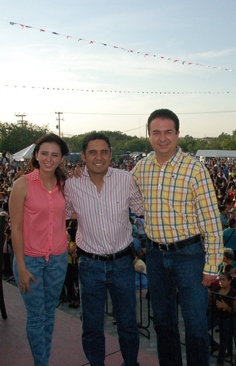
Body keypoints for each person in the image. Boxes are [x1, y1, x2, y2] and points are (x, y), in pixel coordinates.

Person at [131, 109, 223, 366]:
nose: (162, 138)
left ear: (177, 134)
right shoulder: (142, 167)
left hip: (189, 255)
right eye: (156, 132)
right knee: (164, 325)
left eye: (168, 132)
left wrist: (212, 266)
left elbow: (212, 222)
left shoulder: (195, 169)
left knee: (195, 327)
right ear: (148, 134)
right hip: (155, 254)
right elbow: (121, 196)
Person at [65, 133, 144, 366]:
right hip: (89, 264)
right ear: (83, 156)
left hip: (122, 263)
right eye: (92, 152)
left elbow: (142, 209)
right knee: (91, 326)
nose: (98, 157)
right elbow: (61, 212)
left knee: (128, 324)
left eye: (103, 152)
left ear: (110, 154)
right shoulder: (72, 184)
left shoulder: (125, 179)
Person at [10, 133, 70, 366]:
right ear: (36, 155)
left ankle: (42, 359)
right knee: (36, 317)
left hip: (58, 259)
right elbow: (15, 229)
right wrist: (21, 267)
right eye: (44, 153)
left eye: (55, 154)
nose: (49, 158)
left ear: (61, 158)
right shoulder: (22, 184)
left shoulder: (63, 184)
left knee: (49, 314)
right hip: (30, 260)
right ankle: (41, 363)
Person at [211, 272, 236, 366]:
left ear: (229, 281)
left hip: (227, 318)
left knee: (224, 339)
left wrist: (225, 306)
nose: (221, 282)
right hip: (216, 316)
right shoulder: (216, 290)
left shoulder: (233, 293)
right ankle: (216, 346)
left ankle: (220, 361)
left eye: (223, 280)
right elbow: (212, 303)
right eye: (220, 279)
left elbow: (233, 311)